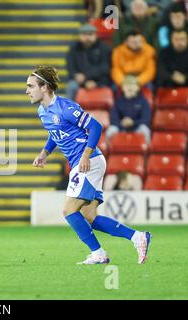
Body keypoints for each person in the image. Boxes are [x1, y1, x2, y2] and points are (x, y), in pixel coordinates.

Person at [28, 65, 151, 265]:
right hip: (84, 162)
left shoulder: (66, 107)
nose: (27, 90)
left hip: (88, 161)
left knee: (69, 210)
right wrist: (44, 153)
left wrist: (86, 155)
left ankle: (99, 253)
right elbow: (54, 133)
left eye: (31, 86)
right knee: (89, 214)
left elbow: (95, 126)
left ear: (45, 87)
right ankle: (138, 237)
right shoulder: (43, 111)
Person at [66, 23, 112, 100]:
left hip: (100, 80)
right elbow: (70, 66)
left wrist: (88, 77)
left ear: (96, 35)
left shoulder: (104, 48)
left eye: (90, 34)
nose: (87, 37)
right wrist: (76, 75)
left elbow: (105, 68)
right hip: (79, 81)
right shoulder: (73, 48)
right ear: (79, 36)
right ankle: (69, 110)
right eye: (84, 34)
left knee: (113, 88)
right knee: (71, 86)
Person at [106, 75, 151, 143]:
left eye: (132, 85)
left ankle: (145, 152)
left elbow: (146, 119)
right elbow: (113, 118)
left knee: (145, 130)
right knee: (110, 130)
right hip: (121, 127)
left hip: (137, 127)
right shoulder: (118, 101)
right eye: (127, 85)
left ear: (138, 88)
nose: (130, 88)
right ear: (122, 88)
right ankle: (107, 153)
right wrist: (122, 123)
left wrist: (133, 122)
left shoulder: (143, 101)